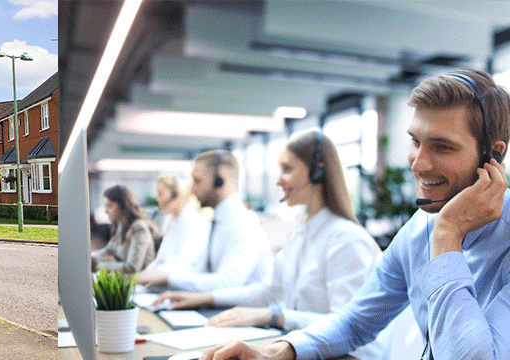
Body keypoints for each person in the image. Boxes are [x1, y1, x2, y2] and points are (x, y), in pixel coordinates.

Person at [203, 69, 510, 359]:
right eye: (416, 141)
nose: (418, 164)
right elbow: (356, 320)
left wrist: (447, 236)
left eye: (442, 147)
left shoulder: (442, 229)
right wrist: (279, 351)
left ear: (494, 154)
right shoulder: (421, 228)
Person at [156, 131, 385, 359]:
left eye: (287, 169)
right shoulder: (303, 232)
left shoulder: (346, 240)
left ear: (318, 171)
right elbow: (269, 290)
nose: (278, 181)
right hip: (303, 348)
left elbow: (349, 327)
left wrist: (274, 316)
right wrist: (206, 298)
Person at [137, 149, 271, 292]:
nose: (192, 190)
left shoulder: (244, 223)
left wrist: (167, 277)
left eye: (197, 181)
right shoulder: (219, 222)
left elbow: (228, 282)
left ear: (220, 180)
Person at [146, 175, 211, 278]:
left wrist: (151, 274)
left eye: (160, 194)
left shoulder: (196, 222)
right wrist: (144, 274)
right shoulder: (174, 221)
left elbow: (184, 266)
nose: (158, 199)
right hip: (166, 280)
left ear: (176, 193)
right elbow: (160, 259)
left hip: (182, 285)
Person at [94, 185, 157, 273]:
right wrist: (90, 258)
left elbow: (132, 268)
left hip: (141, 283)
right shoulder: (120, 226)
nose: (105, 211)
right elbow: (108, 250)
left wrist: (98, 266)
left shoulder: (138, 228)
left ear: (122, 205)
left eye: (109, 206)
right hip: (129, 282)